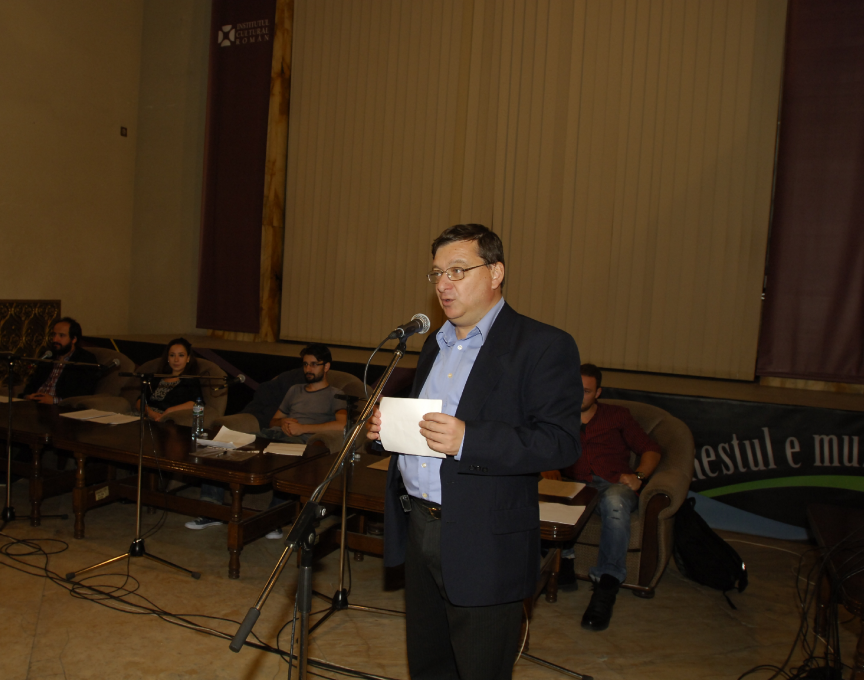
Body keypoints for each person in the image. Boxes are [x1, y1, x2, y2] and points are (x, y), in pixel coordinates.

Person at [366, 224, 581, 680]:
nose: (444, 284)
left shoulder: (543, 345)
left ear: (495, 272)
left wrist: (469, 440)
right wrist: (391, 433)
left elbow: (560, 441)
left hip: (485, 540)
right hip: (420, 525)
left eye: (458, 271)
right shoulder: (434, 344)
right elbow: (429, 430)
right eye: (437, 273)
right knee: (429, 666)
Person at [542, 363, 662, 631]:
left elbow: (651, 449)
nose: (578, 396)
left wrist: (639, 476)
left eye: (586, 391)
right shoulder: (557, 416)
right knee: (546, 493)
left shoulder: (617, 416)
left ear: (598, 393)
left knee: (615, 502)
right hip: (574, 484)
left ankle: (607, 584)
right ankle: (564, 563)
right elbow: (539, 446)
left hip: (613, 484)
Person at [185, 343, 348, 534]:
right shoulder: (295, 390)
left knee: (285, 462)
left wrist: (303, 428)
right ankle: (211, 510)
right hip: (274, 434)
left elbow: (342, 424)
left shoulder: (335, 394)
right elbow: (273, 421)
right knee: (223, 449)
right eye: (305, 364)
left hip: (301, 442)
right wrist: (283, 422)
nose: (308, 369)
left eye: (314, 364)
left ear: (326, 366)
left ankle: (274, 521)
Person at [0, 317, 100, 485]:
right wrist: (28, 396)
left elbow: (85, 391)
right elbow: (32, 384)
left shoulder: (86, 359)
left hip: (58, 409)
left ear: (74, 339)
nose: (55, 339)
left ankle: (15, 470)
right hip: (34, 404)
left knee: (35, 426)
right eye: (54, 335)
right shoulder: (47, 356)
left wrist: (55, 400)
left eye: (61, 336)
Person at [140, 337, 202, 422]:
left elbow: (196, 403)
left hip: (167, 421)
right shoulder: (157, 377)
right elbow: (140, 400)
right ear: (168, 358)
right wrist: (151, 413)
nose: (176, 360)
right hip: (145, 417)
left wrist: (169, 411)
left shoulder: (191, 381)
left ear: (188, 358)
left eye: (181, 355)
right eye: (172, 355)